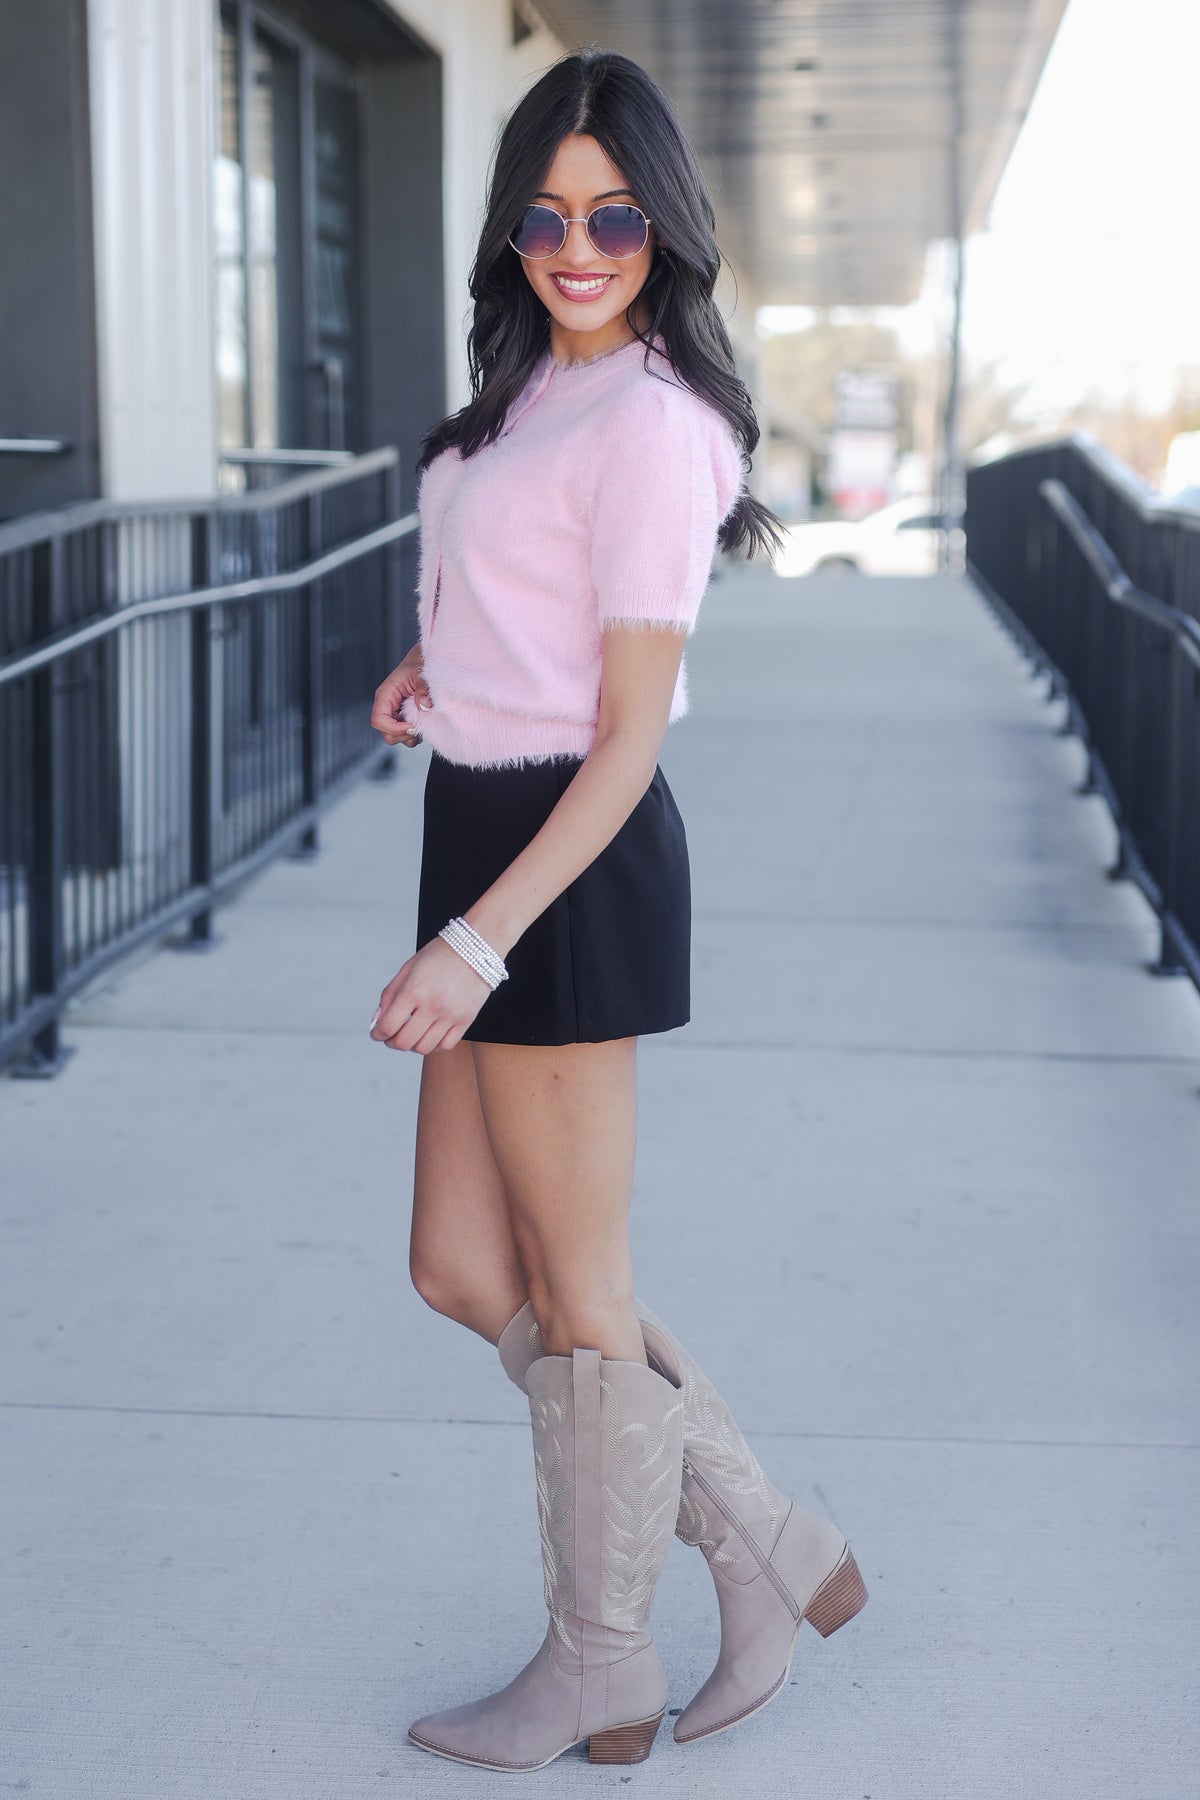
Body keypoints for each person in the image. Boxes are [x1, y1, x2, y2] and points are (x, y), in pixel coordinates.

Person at [367, 47, 868, 1773]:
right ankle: (758, 1536)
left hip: (560, 866)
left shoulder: (658, 424)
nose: (578, 249)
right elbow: (533, 591)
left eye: (615, 218)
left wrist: (476, 941)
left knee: (582, 1291)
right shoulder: (536, 390)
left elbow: (631, 731)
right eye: (547, 217)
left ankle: (600, 1660)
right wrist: (441, 658)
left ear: (669, 229)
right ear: (510, 231)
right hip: (481, 817)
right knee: (458, 1265)